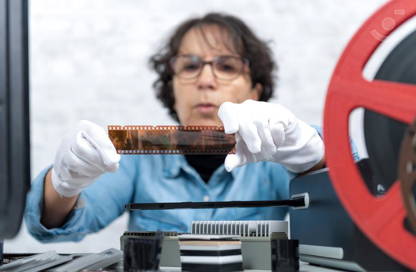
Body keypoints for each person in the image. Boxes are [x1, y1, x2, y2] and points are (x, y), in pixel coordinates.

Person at [25, 13, 328, 243]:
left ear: (254, 91)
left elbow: (350, 209)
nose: (205, 80)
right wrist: (64, 182)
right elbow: (55, 227)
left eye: (226, 66)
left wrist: (313, 154)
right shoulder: (137, 159)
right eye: (190, 66)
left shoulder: (275, 158)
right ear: (172, 89)